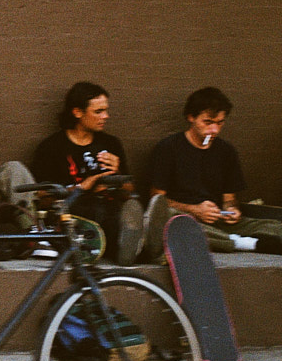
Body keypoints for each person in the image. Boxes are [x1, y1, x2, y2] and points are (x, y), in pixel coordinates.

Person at [143, 86, 282, 259]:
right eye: (208, 122)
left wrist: (231, 210)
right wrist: (195, 210)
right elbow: (157, 201)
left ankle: (229, 239)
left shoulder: (226, 151)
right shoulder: (168, 148)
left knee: (275, 226)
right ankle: (239, 243)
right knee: (172, 221)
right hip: (184, 218)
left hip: (217, 221)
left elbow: (229, 199)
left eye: (219, 123)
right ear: (191, 117)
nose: (214, 130)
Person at [28, 82, 144, 266]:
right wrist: (82, 188)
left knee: (123, 211)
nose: (105, 116)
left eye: (106, 110)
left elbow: (129, 191)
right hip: (75, 214)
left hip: (111, 209)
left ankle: (136, 243)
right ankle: (133, 247)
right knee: (96, 216)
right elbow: (42, 199)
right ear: (77, 112)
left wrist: (118, 173)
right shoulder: (51, 147)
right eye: (98, 111)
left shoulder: (111, 143)